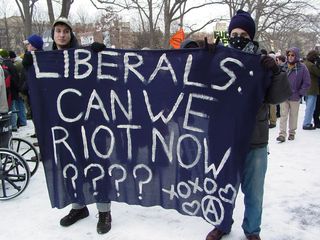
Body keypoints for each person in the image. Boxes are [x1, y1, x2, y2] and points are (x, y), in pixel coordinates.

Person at [205, 10, 291, 240]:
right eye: (234, 32)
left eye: (244, 33)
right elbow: (192, 76)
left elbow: (278, 97)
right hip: (225, 138)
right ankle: (221, 224)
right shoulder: (218, 59)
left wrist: (276, 71)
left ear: (251, 37)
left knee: (254, 192)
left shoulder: (262, 63)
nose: (238, 36)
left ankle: (252, 230)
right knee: (223, 186)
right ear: (228, 34)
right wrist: (197, 51)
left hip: (255, 139)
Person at [51, 17, 112, 234]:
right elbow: (28, 89)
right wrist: (28, 70)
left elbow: (103, 80)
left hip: (90, 121)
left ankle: (104, 210)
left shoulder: (85, 57)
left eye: (65, 31)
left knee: (96, 163)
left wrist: (100, 55)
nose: (62, 34)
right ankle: (78, 207)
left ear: (71, 35)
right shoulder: (45, 61)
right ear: (53, 35)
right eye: (58, 31)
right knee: (71, 165)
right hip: (63, 125)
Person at [276, 47, 311, 142]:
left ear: (296, 56)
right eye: (289, 55)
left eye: (292, 55)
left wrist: (300, 93)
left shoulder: (302, 67)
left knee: (293, 115)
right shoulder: (283, 66)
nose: (290, 57)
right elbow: (277, 79)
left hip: (295, 96)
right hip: (284, 95)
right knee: (283, 115)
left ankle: (292, 133)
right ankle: (282, 134)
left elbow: (307, 82)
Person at [302, 50, 320, 129]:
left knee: (308, 107)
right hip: (312, 88)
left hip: (306, 88)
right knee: (311, 107)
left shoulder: (304, 64)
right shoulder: (311, 65)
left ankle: (307, 122)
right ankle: (306, 123)